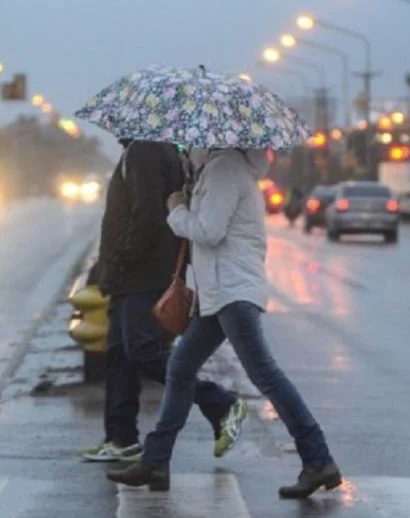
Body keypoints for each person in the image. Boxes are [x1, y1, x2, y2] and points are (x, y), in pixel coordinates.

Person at [108, 148, 341, 499]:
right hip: (217, 293)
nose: (187, 148)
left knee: (266, 377)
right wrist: (189, 199)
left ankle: (318, 459)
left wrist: (177, 210)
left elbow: (208, 232)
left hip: (233, 293)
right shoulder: (216, 171)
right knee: (180, 369)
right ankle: (155, 462)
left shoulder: (224, 170)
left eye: (191, 144)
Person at [79, 139, 246, 462]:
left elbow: (147, 217)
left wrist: (121, 261)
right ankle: (121, 437)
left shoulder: (144, 150)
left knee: (142, 350)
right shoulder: (160, 150)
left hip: (141, 273)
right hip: (137, 273)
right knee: (119, 355)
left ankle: (220, 402)